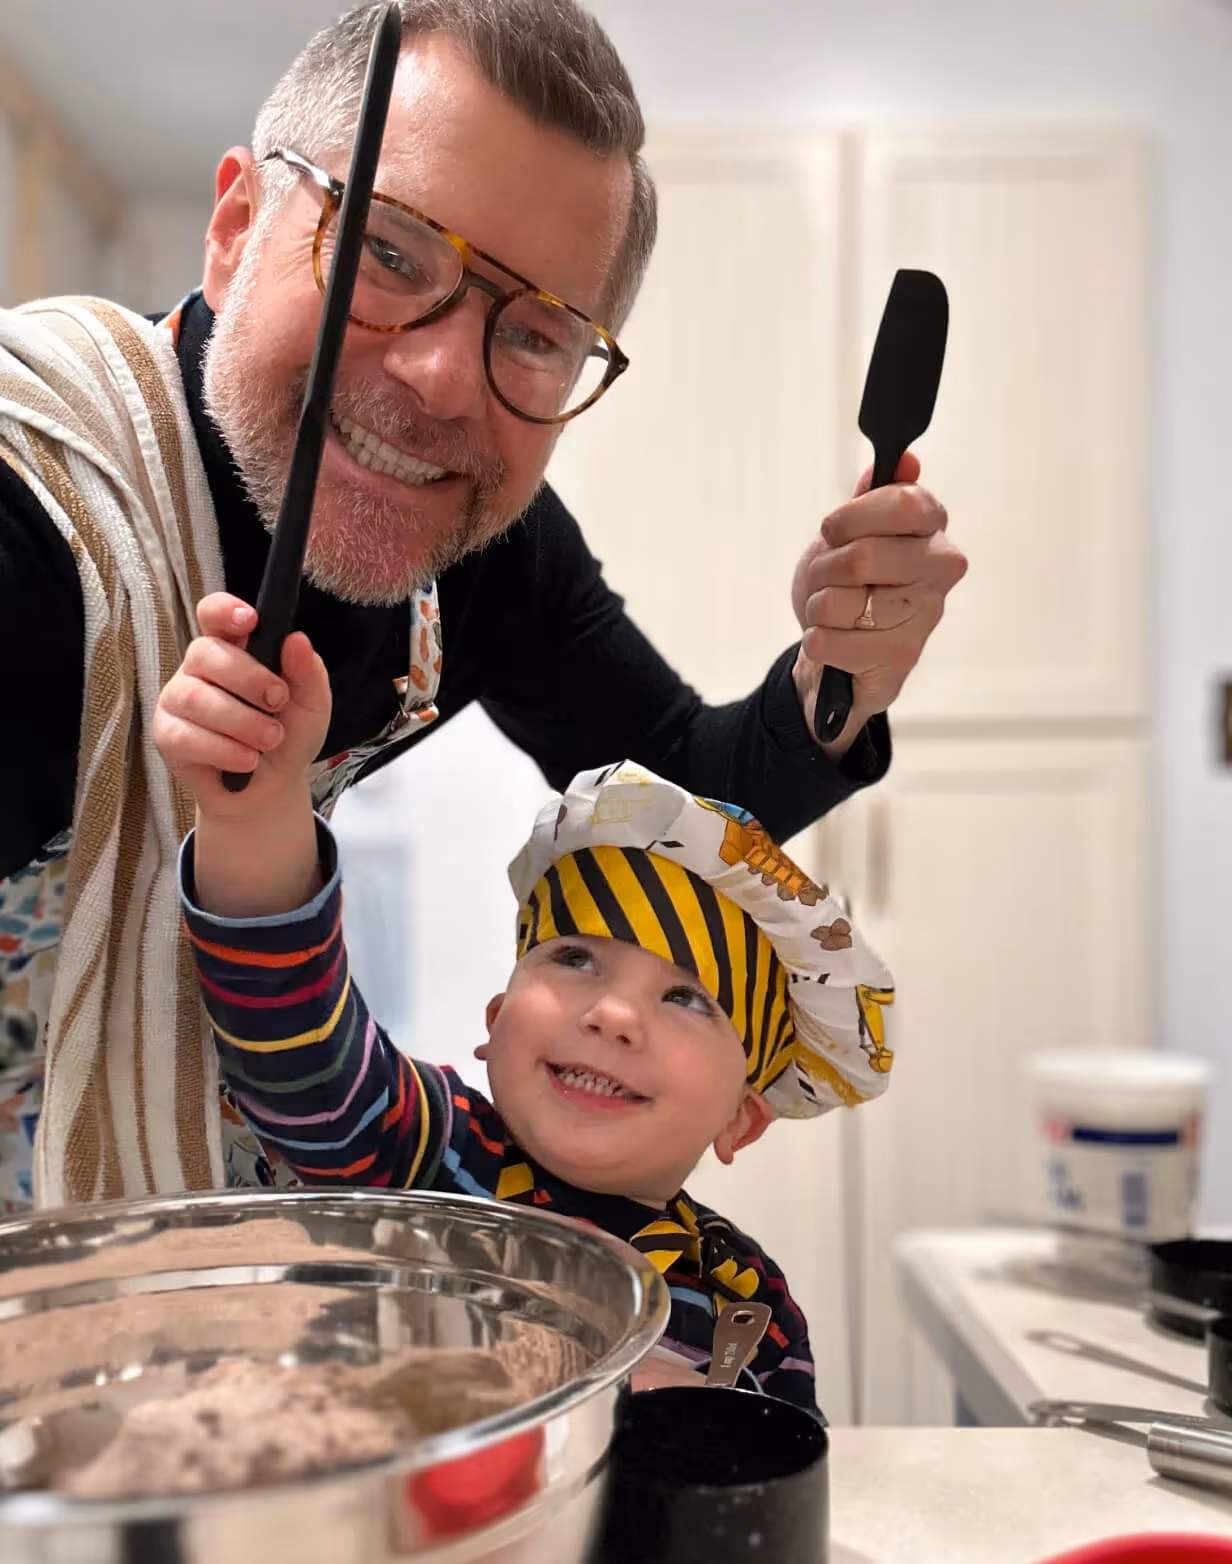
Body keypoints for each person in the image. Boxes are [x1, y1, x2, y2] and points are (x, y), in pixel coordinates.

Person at [0, 0, 964, 1211]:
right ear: (238, 225)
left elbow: (678, 782)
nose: (444, 379)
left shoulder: (479, 545)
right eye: (388, 254)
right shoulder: (33, 523)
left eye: (541, 335)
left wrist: (841, 678)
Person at [156, 592, 897, 1413]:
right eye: (575, 956)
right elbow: (298, 1042)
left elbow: (771, 1500)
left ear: (740, 1118)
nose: (614, 1014)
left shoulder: (748, 1303)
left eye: (688, 998)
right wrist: (258, 809)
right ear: (497, 1023)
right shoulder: (426, 1149)